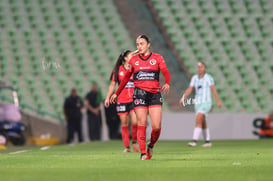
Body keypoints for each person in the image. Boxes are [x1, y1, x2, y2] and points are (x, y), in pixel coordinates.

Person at [110, 35, 171, 160]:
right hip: (139, 94)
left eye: (142, 43)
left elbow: (165, 72)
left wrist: (167, 82)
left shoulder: (157, 58)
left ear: (148, 44)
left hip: (154, 94)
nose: (139, 46)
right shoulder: (133, 60)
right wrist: (116, 93)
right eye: (137, 44)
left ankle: (151, 145)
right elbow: (126, 78)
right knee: (141, 123)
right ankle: (143, 153)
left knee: (156, 126)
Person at [179, 62, 221, 147]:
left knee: (199, 118)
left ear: (204, 68)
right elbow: (190, 89)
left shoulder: (208, 78)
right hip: (198, 103)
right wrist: (183, 97)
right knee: (203, 121)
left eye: (201, 67)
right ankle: (208, 141)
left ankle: (194, 141)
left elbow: (213, 89)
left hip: (206, 102)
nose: (199, 69)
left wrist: (217, 101)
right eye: (198, 67)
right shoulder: (194, 78)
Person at [105, 50, 139, 152]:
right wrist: (108, 97)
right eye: (130, 56)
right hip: (122, 100)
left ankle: (134, 142)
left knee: (135, 121)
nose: (133, 57)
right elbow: (112, 85)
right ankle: (126, 147)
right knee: (124, 123)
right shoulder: (117, 70)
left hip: (133, 99)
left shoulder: (134, 68)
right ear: (125, 58)